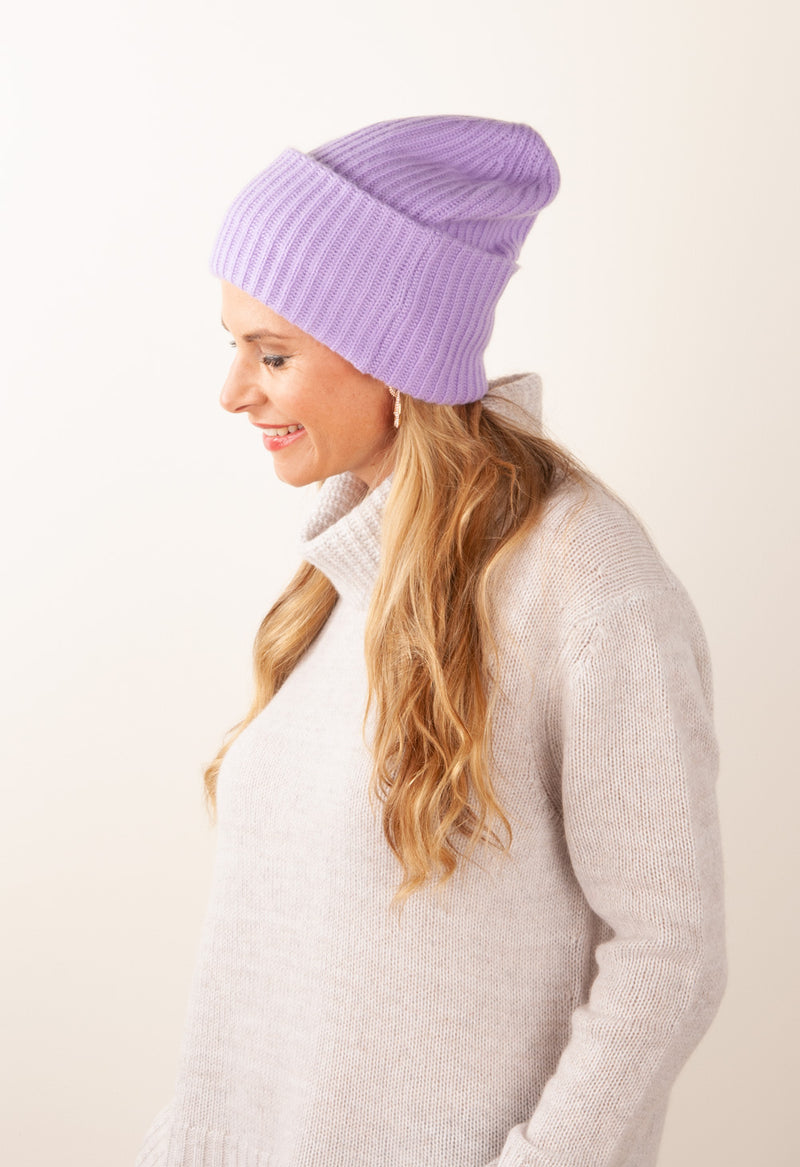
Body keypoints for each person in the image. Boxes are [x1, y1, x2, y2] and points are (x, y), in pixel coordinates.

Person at [135, 115, 726, 1167]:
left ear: (395, 356)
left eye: (273, 353)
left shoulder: (584, 584)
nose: (233, 392)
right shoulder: (349, 568)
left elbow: (668, 954)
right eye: (235, 347)